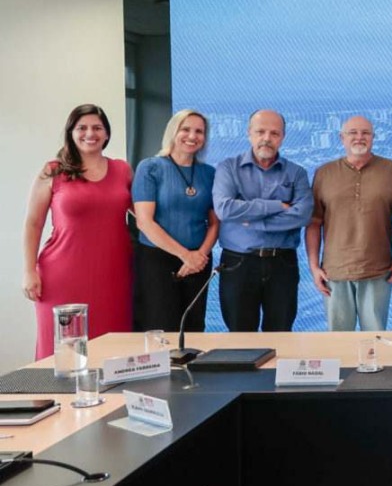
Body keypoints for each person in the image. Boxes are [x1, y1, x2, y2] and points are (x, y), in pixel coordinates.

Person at [23, 104, 133, 359]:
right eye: (81, 128)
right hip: (61, 275)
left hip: (113, 274)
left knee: (112, 349)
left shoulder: (122, 170)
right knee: (59, 353)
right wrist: (29, 271)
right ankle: (51, 400)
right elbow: (33, 223)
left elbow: (145, 214)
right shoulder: (53, 170)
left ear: (107, 134)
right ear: (71, 132)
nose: (89, 133)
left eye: (97, 127)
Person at [212, 109, 313, 332]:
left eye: (274, 133)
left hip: (282, 264)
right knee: (240, 336)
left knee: (281, 334)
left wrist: (253, 220)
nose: (267, 138)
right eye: (260, 132)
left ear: (283, 137)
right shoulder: (228, 168)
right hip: (238, 263)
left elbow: (303, 215)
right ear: (249, 133)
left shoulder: (296, 173)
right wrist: (276, 206)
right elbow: (225, 209)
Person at [306, 115, 392, 331]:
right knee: (339, 345)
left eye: (365, 133)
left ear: (373, 138)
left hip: (379, 271)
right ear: (342, 138)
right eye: (353, 133)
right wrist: (314, 267)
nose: (359, 137)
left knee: (376, 343)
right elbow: (314, 223)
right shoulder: (324, 173)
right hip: (334, 273)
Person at [132, 109, 219, 332]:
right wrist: (185, 256)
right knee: (160, 325)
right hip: (157, 260)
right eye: (186, 129)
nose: (192, 136)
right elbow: (144, 222)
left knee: (193, 327)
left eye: (199, 131)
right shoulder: (150, 167)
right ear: (173, 132)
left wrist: (199, 256)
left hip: (199, 262)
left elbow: (216, 223)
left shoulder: (209, 173)